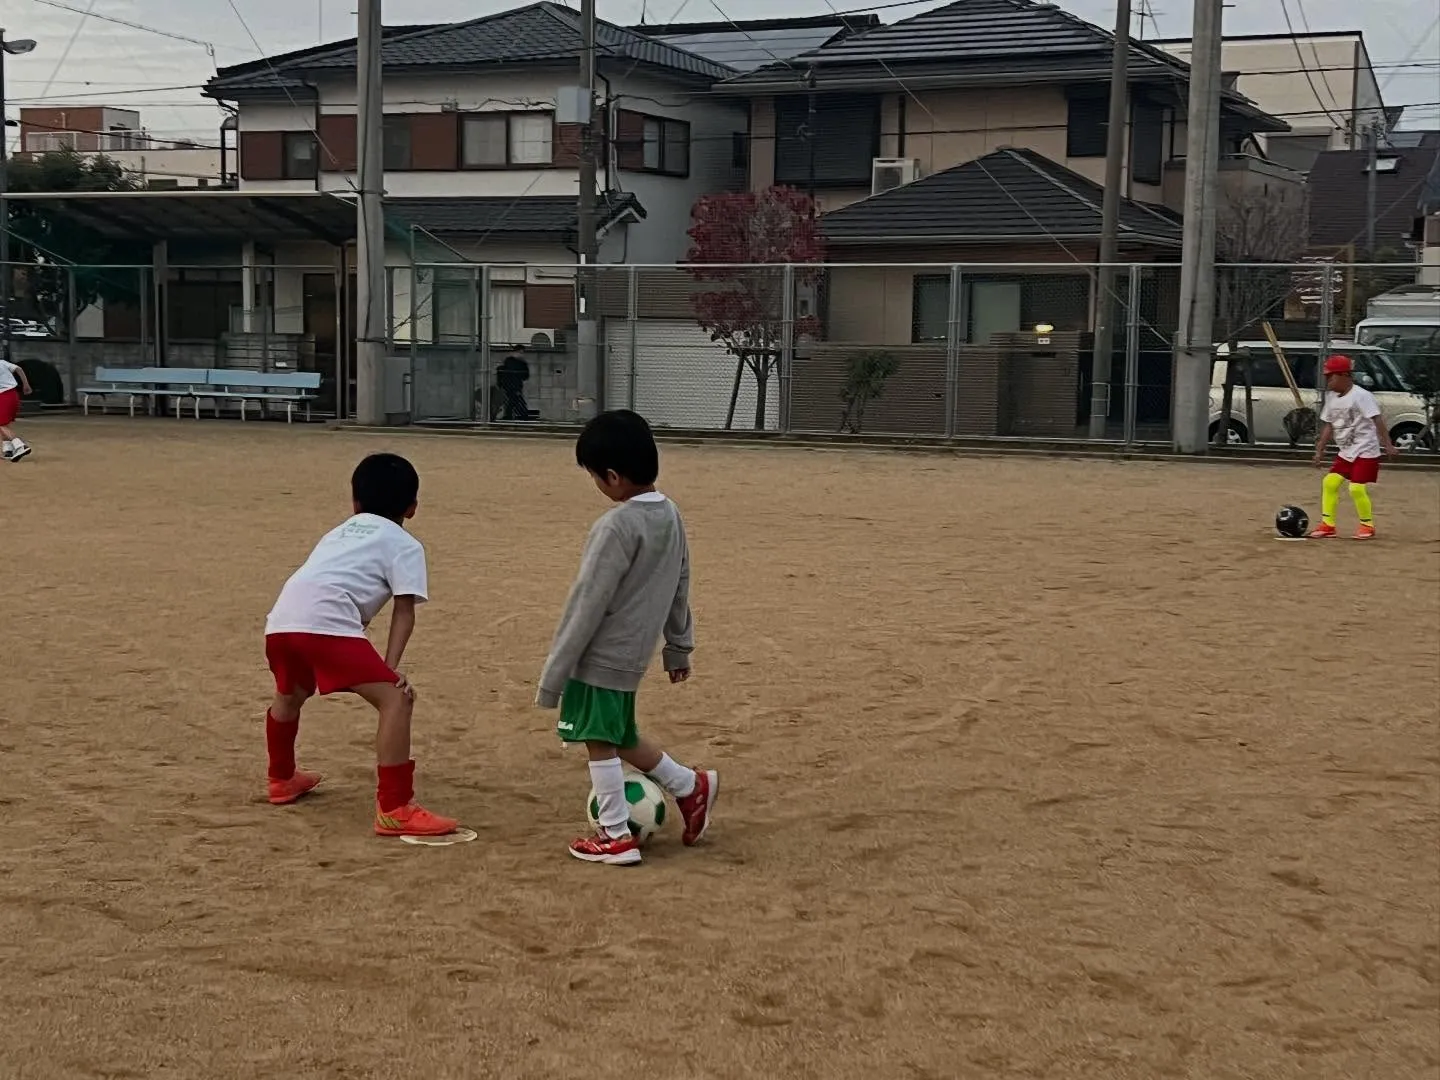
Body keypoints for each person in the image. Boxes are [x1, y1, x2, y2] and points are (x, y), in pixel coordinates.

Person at [536, 409, 717, 866]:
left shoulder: (615, 526)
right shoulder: (670, 513)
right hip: (634, 653)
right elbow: (682, 581)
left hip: (601, 654)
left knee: (598, 738)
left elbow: (587, 602)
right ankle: (690, 787)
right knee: (618, 733)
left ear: (613, 476)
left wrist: (554, 674)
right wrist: (678, 646)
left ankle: (615, 834)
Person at [263, 452, 458, 836]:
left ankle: (281, 778)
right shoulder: (404, 543)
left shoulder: (337, 532)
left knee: (290, 693)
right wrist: (390, 668)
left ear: (355, 502)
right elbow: (405, 611)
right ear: (412, 507)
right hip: (327, 626)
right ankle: (395, 806)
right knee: (396, 699)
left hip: (281, 623)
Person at [1310, 354, 1398, 540]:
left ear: (1345, 375)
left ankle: (1367, 525)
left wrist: (1387, 444)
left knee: (1356, 488)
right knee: (1329, 482)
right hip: (1346, 452)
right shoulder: (1332, 398)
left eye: (1330, 376)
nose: (1327, 381)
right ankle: (1328, 525)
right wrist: (1320, 450)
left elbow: (1377, 419)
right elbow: (1328, 425)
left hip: (1366, 451)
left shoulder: (1362, 396)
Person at [1, 358, 34, 461]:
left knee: (1, 423)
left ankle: (20, 446)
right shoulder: (2, 362)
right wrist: (26, 384)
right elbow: (19, 369)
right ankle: (8, 450)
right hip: (13, 395)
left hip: (3, 396)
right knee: (4, 423)